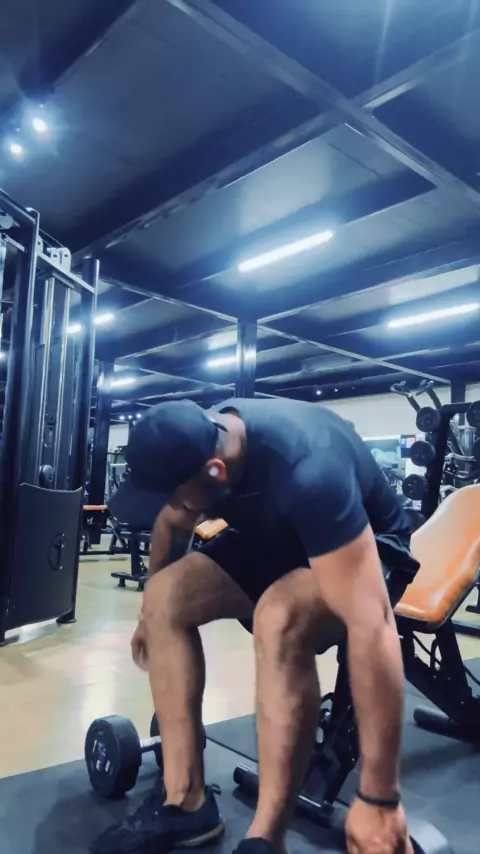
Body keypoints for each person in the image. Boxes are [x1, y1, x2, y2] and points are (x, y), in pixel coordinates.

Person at [93, 397, 419, 854]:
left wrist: (380, 800)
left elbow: (374, 626)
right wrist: (149, 615)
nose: (171, 505)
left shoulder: (309, 470)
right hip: (278, 537)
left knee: (278, 617)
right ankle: (185, 801)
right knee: (164, 597)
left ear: (215, 471)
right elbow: (173, 520)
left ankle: (267, 837)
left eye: (175, 494)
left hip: (370, 546)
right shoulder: (201, 443)